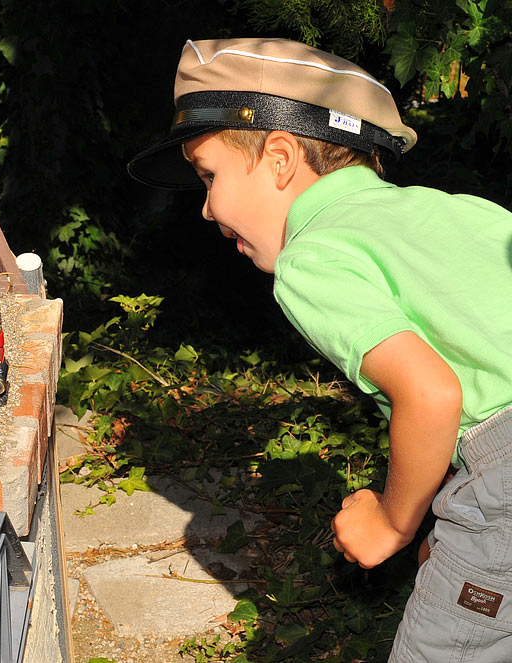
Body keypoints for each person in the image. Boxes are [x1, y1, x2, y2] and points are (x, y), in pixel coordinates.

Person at [128, 38, 512, 662]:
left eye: (209, 176)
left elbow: (433, 393)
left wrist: (393, 521)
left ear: (280, 158)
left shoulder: (312, 258)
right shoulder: (461, 214)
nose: (204, 210)